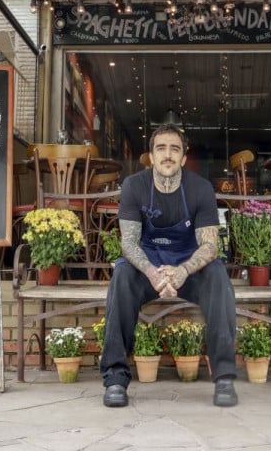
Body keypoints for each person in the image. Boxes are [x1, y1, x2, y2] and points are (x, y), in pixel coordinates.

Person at [99, 124, 238, 408]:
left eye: (175, 149)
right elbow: (129, 243)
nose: (168, 155)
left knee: (217, 275)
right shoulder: (134, 186)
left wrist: (183, 271)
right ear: (151, 156)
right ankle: (115, 379)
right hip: (147, 266)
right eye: (161, 148)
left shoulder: (200, 189)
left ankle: (224, 378)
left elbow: (210, 245)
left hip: (188, 267)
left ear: (184, 158)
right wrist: (152, 273)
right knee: (123, 273)